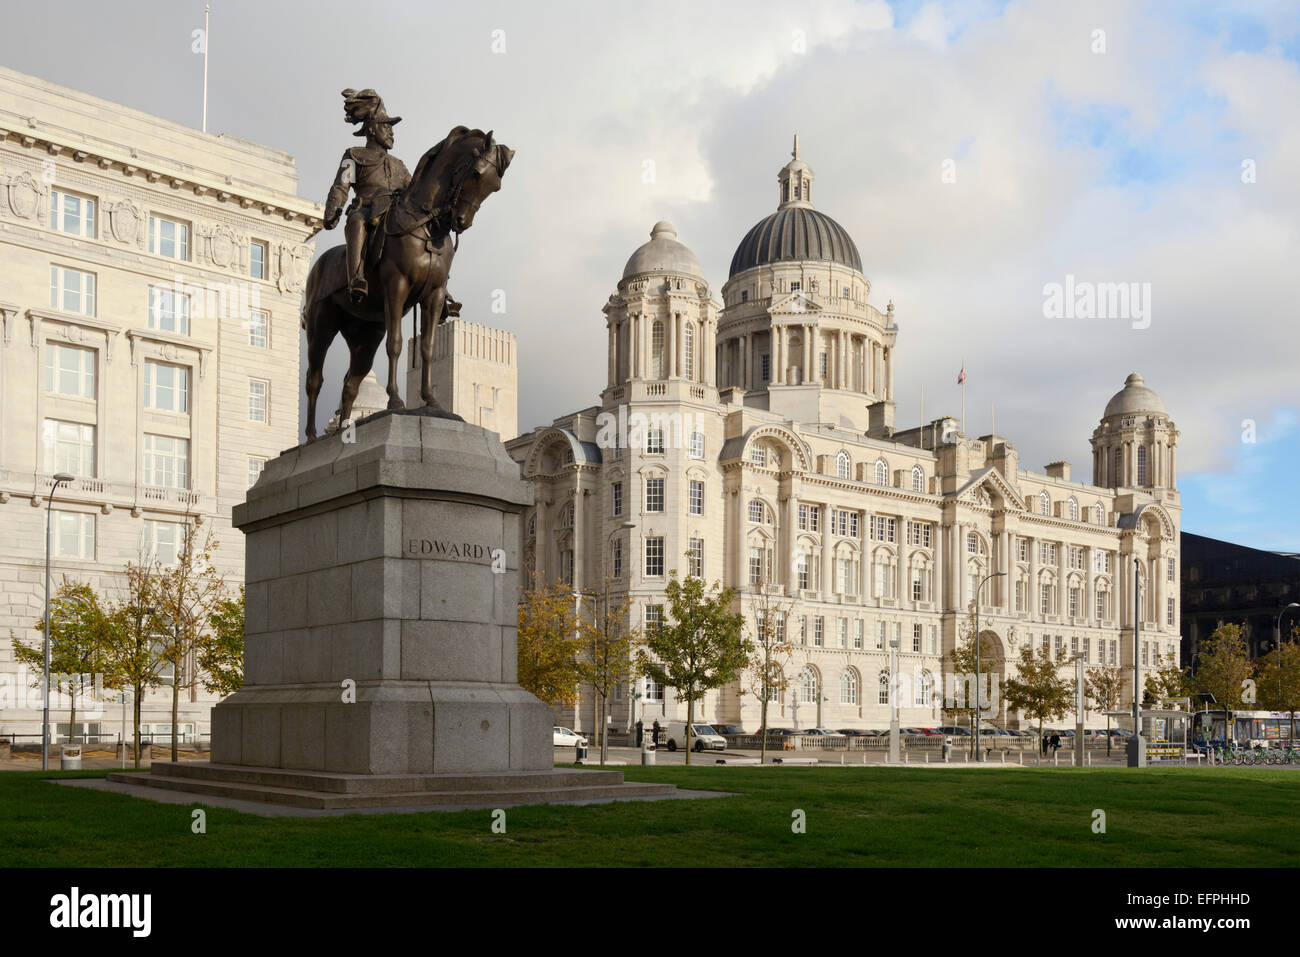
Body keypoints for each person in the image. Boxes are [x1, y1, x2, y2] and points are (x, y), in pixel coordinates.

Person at [323, 88, 410, 303]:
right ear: (372, 130)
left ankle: (437, 289)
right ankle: (356, 278)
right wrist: (333, 210)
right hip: (367, 208)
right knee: (356, 222)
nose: (391, 132)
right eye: (386, 127)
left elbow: (414, 190)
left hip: (395, 212)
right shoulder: (353, 155)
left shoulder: (399, 165)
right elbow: (341, 186)